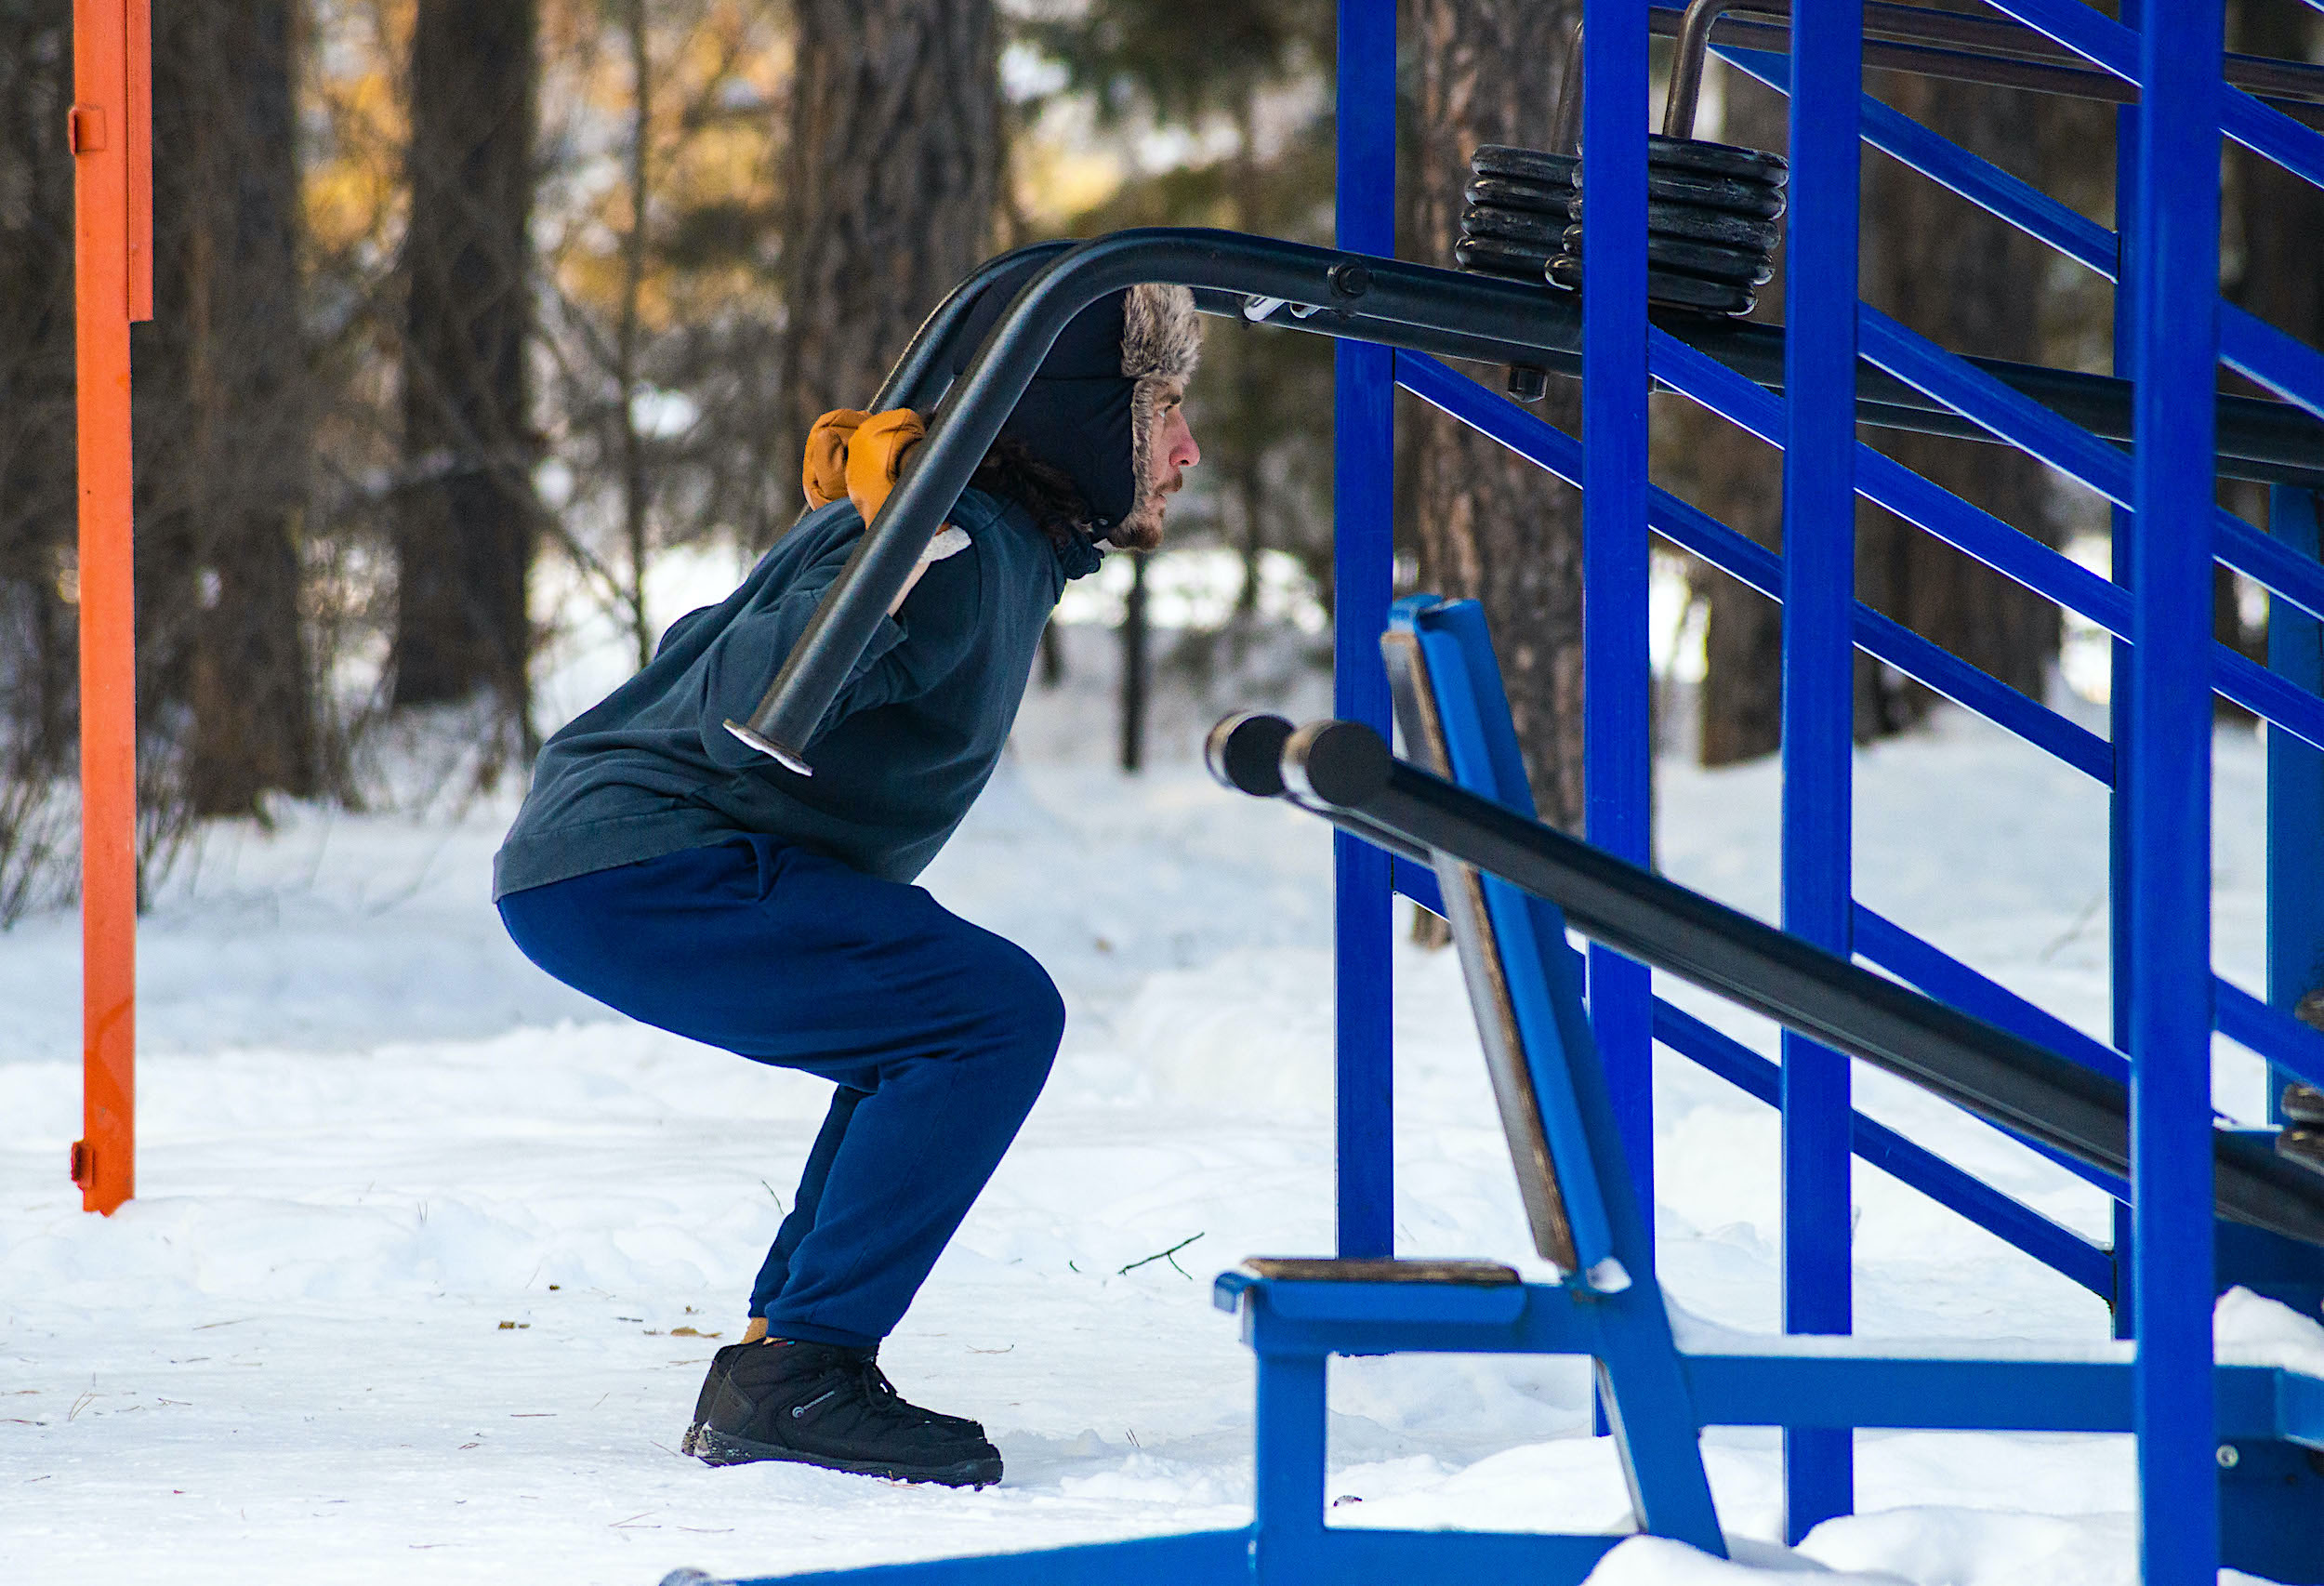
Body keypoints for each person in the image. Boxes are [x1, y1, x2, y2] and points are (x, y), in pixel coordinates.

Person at [492, 270, 1202, 1489]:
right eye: (1164, 410)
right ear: (1087, 415)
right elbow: (730, 700)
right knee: (988, 1014)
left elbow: (687, 656)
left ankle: (783, 1356)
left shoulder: (997, 538)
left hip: (626, 856)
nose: (1187, 450)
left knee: (927, 1022)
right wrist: (886, 561)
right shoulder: (959, 538)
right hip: (643, 859)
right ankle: (806, 1368)